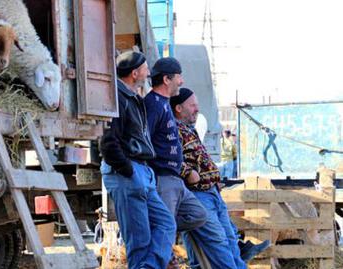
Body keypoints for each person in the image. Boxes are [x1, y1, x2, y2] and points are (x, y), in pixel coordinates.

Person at [170, 88, 269, 269]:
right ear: (178, 108)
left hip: (211, 192)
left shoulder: (188, 130)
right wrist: (188, 173)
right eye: (192, 105)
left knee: (229, 240)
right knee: (219, 245)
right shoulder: (173, 129)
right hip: (197, 194)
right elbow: (169, 158)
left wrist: (212, 179)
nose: (196, 109)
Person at [100, 51, 176, 269]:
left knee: (166, 223)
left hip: (140, 172)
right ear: (135, 73)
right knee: (139, 241)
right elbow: (107, 142)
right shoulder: (117, 98)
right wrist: (129, 171)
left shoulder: (130, 97)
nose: (149, 72)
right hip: (128, 173)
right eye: (145, 67)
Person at [144, 57, 207, 235]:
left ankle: (159, 228)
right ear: (166, 79)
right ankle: (159, 248)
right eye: (179, 76)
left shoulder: (163, 104)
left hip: (175, 177)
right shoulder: (153, 104)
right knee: (165, 230)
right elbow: (145, 140)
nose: (182, 81)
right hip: (163, 178)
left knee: (198, 215)